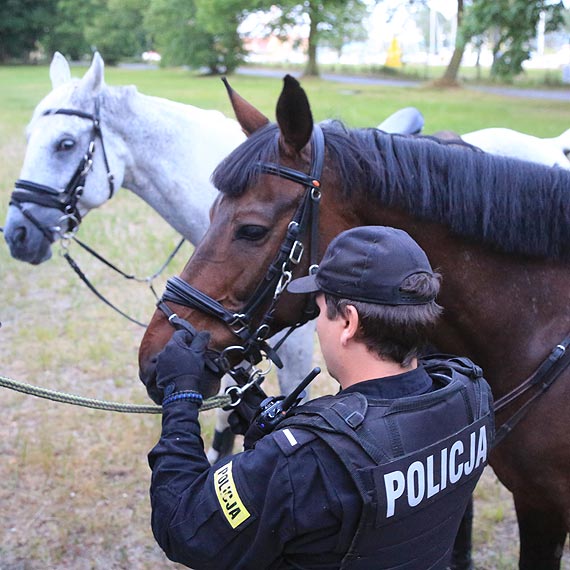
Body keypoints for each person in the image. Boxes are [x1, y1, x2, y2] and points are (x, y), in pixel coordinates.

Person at [147, 225, 494, 570]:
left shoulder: (300, 464)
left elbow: (183, 524)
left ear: (348, 323)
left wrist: (182, 397)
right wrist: (279, 430)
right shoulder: (472, 394)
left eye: (318, 311)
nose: (317, 327)